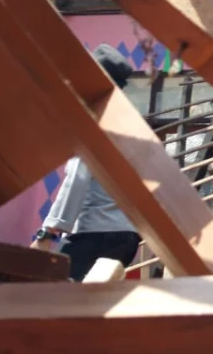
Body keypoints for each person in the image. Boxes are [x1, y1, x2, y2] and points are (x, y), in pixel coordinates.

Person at [30, 44, 143, 281]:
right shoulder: (127, 127)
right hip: (127, 236)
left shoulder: (94, 123)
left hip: (96, 232)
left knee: (55, 290)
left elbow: (78, 179)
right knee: (91, 303)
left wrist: (49, 232)